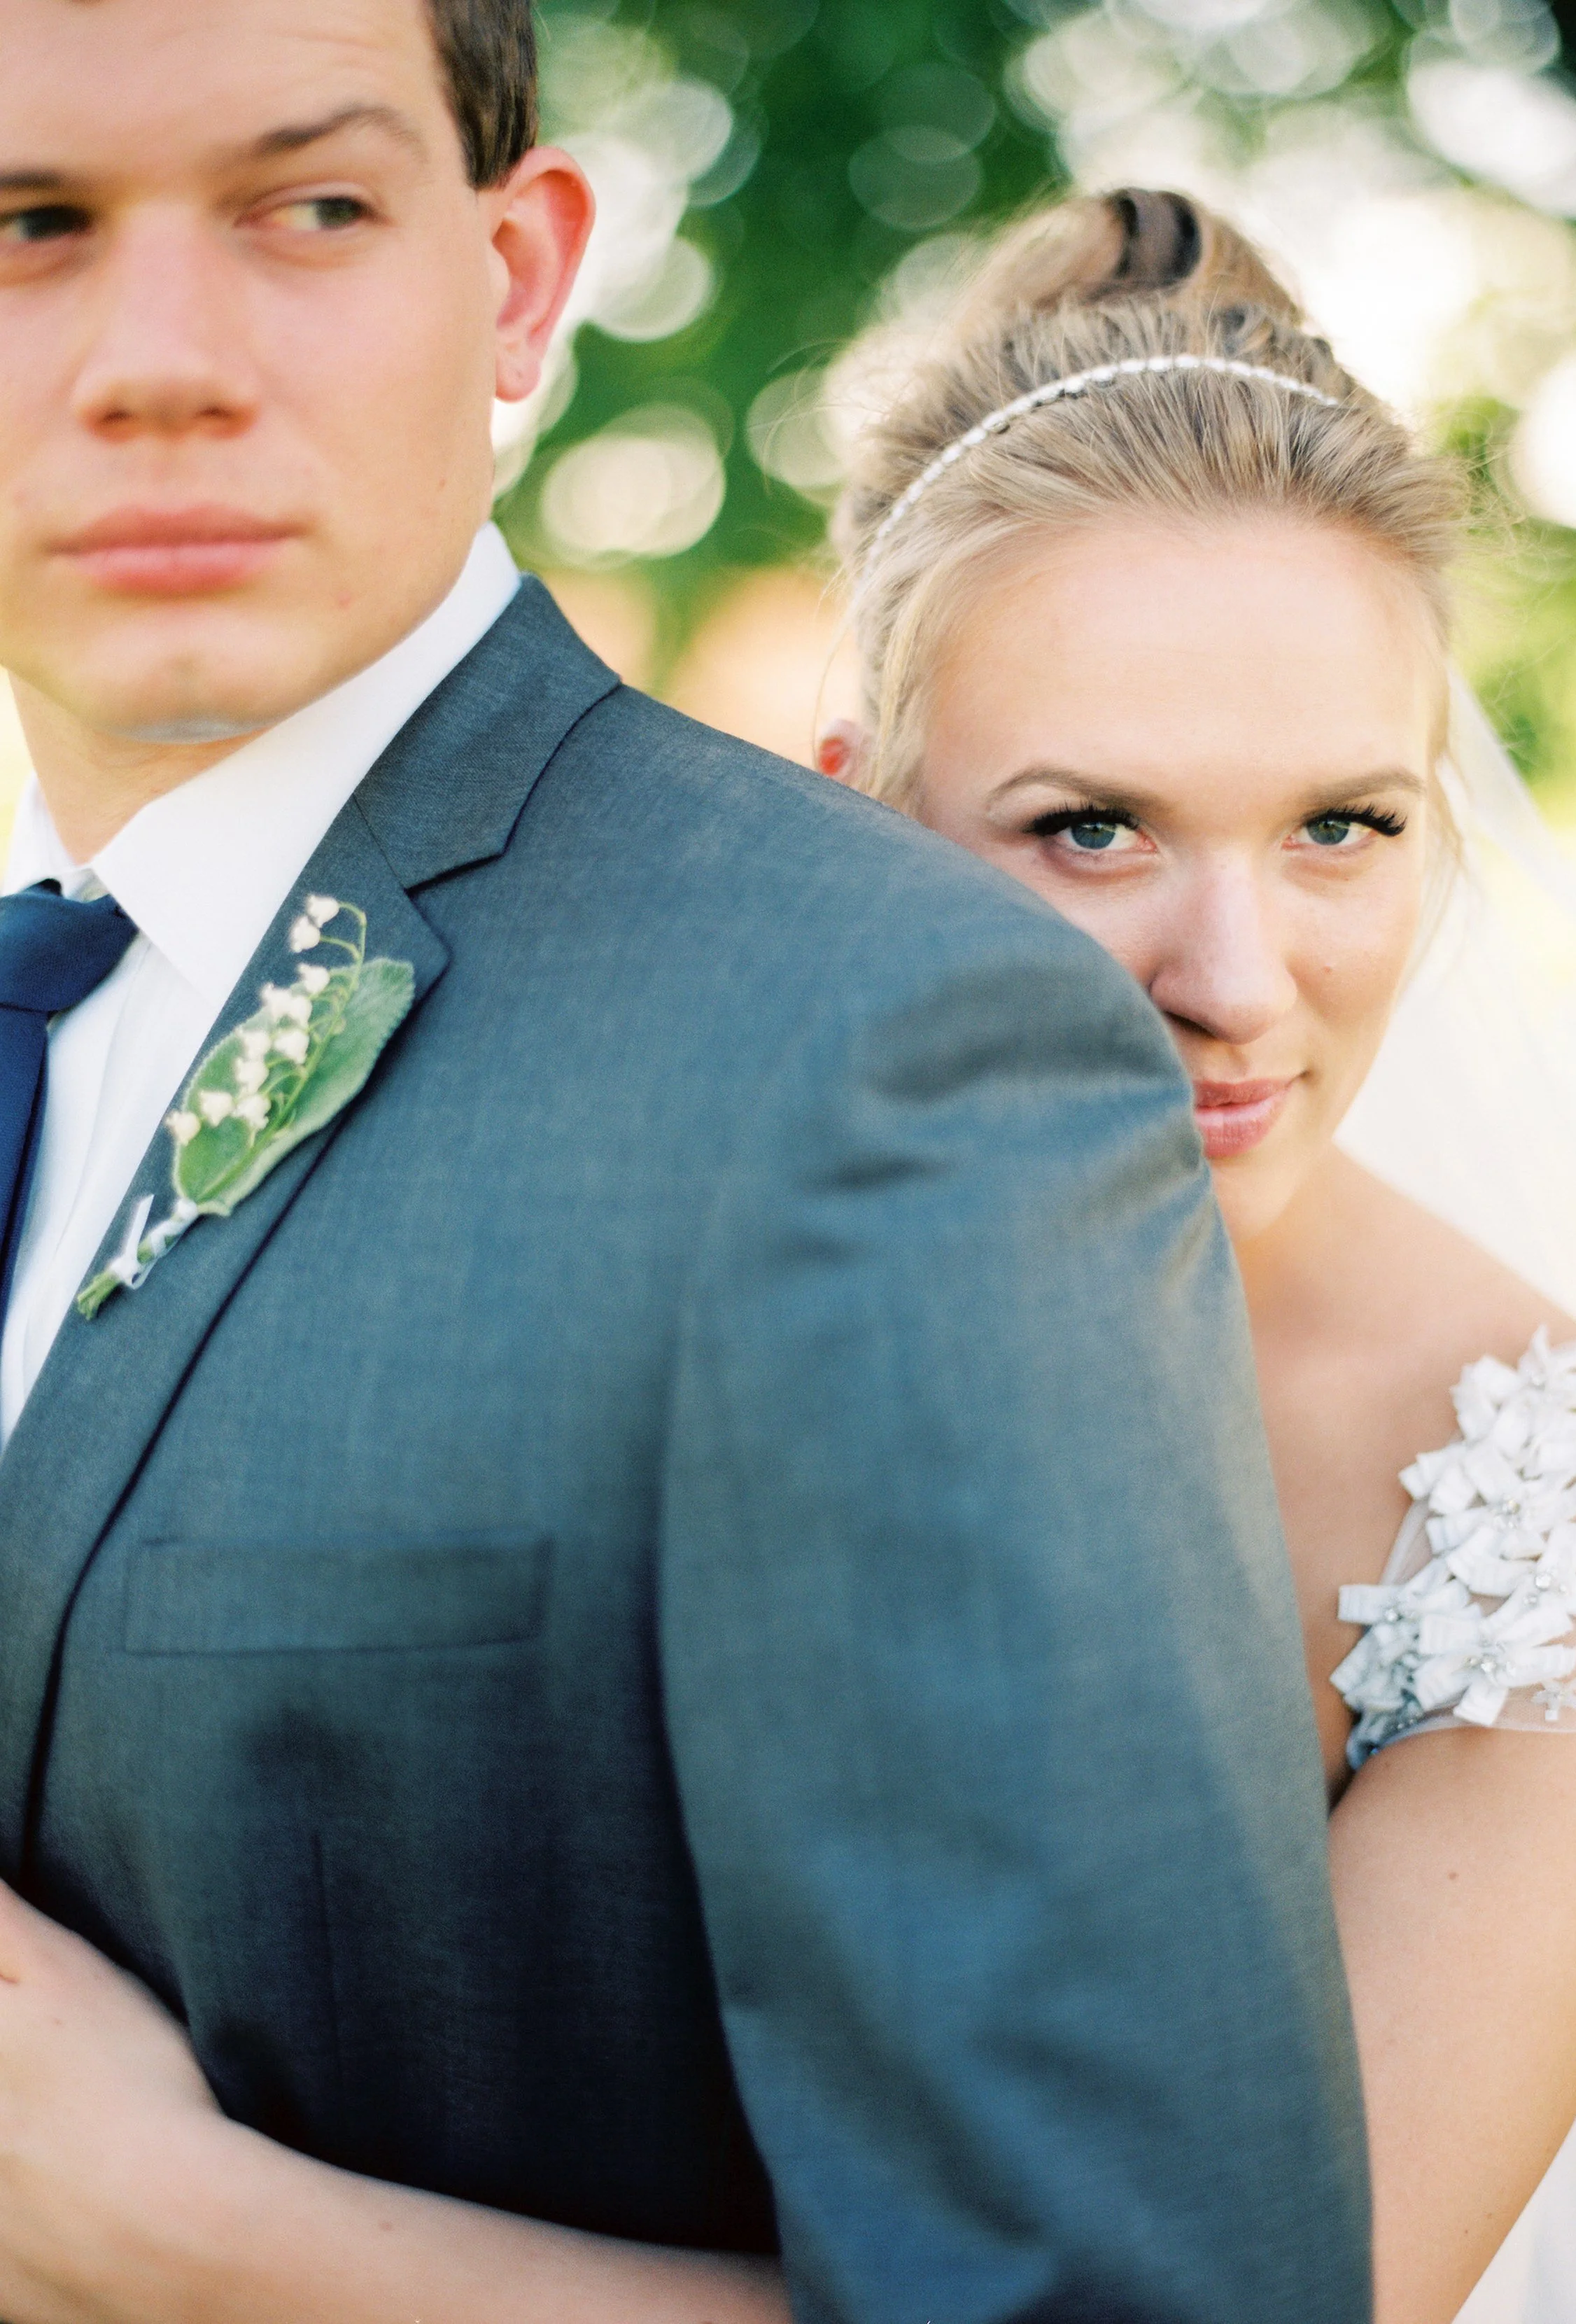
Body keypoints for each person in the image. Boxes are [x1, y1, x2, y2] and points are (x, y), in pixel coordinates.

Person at [0, 7, 1368, 2323]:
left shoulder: (889, 1053)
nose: (159, 363)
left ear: (520, 278)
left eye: (309, 209)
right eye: (24, 226)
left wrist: (158, 2243)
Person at [815, 188, 1576, 2324]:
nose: (1237, 983)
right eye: (1090, 829)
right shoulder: (643, 1303)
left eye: (1340, 825)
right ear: (854, 810)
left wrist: (163, 2233)